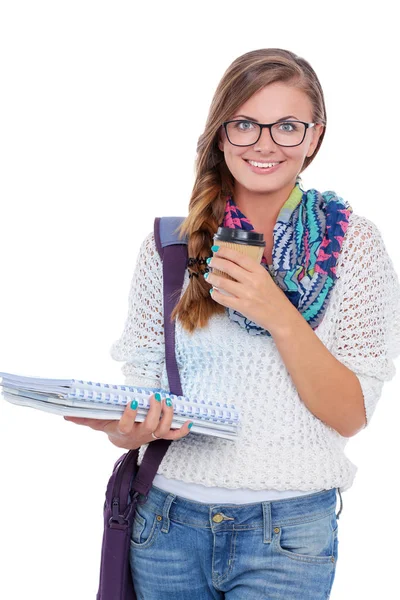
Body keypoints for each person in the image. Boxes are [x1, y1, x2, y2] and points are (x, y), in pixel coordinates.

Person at [65, 48, 400, 599]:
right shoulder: (170, 246)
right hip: (167, 524)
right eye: (244, 123)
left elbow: (350, 415)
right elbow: (146, 387)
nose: (264, 143)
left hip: (289, 533)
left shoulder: (354, 246)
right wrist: (130, 429)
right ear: (220, 134)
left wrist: (277, 313)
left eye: (287, 126)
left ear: (314, 138)